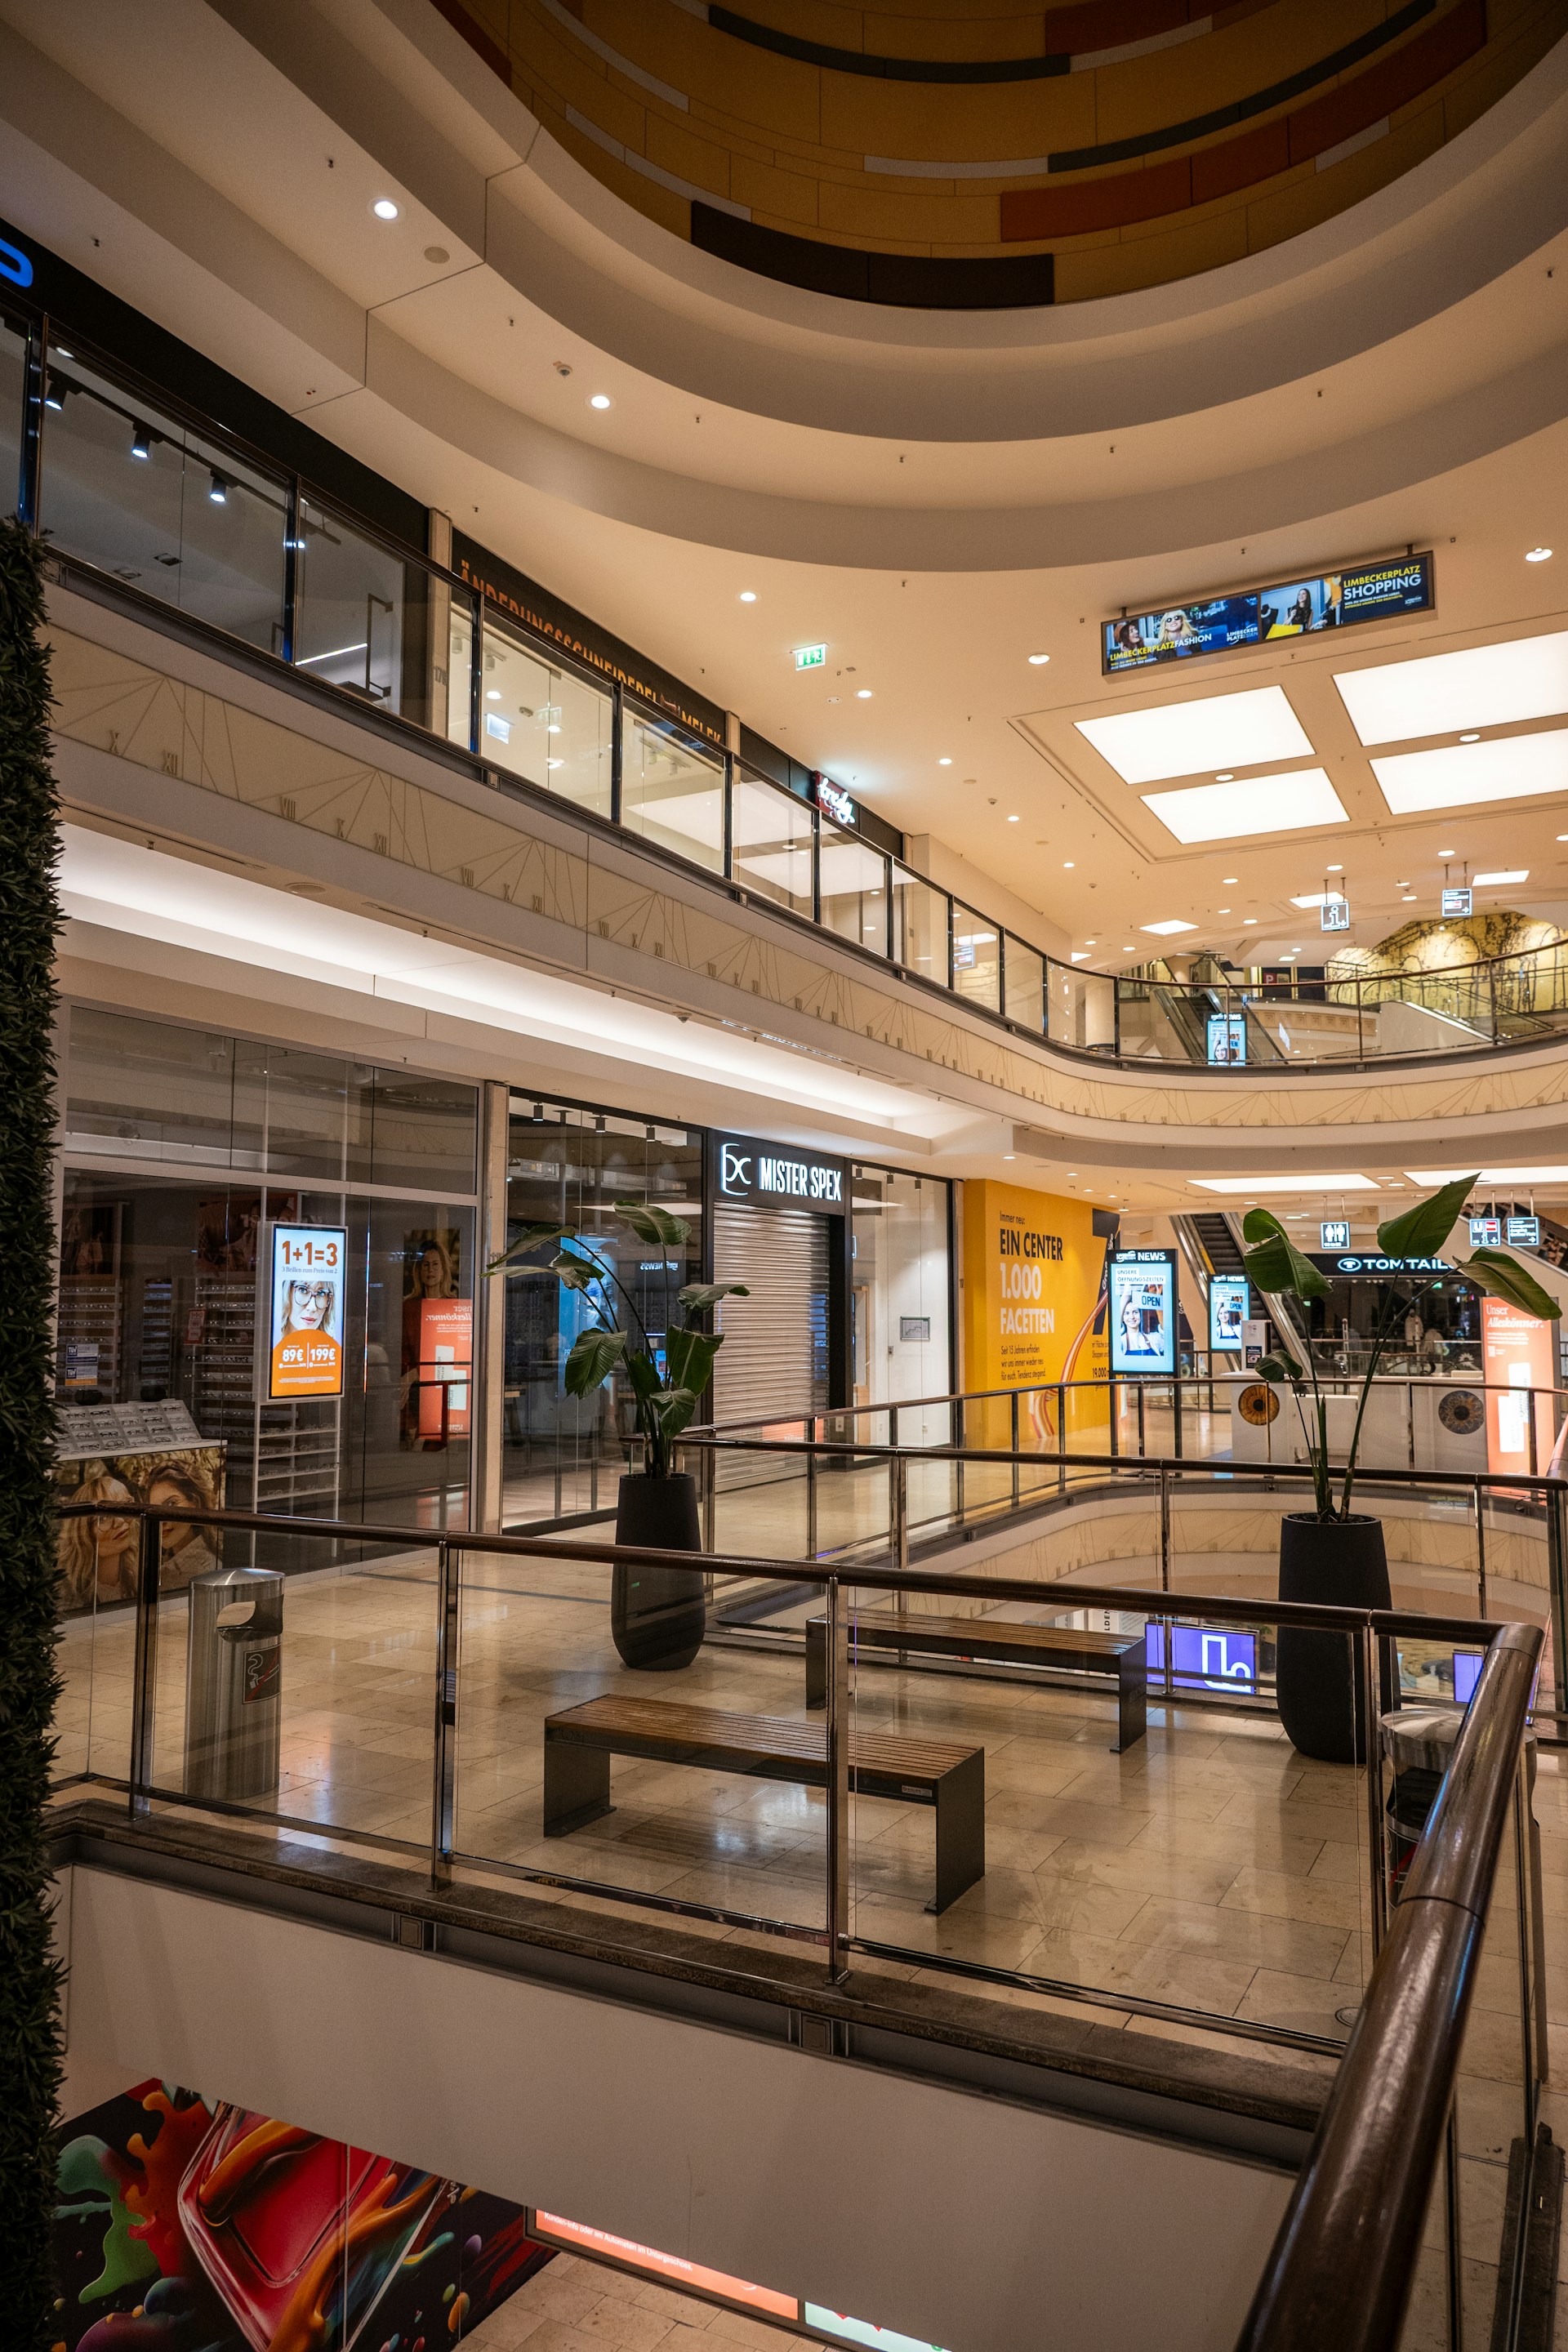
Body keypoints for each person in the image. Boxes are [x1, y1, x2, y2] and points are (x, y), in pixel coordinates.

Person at [56, 1466, 139, 1610]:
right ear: (83, 1533)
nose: (120, 1521)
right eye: (104, 1517)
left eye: (126, 1506)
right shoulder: (68, 1595)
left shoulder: (139, 1578)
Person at [146, 1462, 221, 1592]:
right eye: (154, 1508)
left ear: (195, 1503)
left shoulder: (203, 1570)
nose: (161, 1519)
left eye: (171, 1504)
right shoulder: (167, 1561)